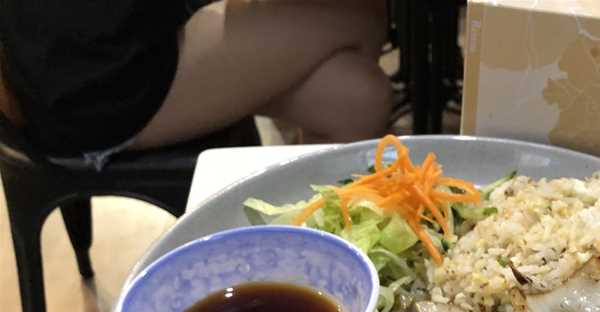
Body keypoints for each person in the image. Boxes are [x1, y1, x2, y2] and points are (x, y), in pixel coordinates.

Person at [0, 0, 392, 162]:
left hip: (86, 51)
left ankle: (313, 242)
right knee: (361, 13)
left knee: (360, 96)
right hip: (91, 81)